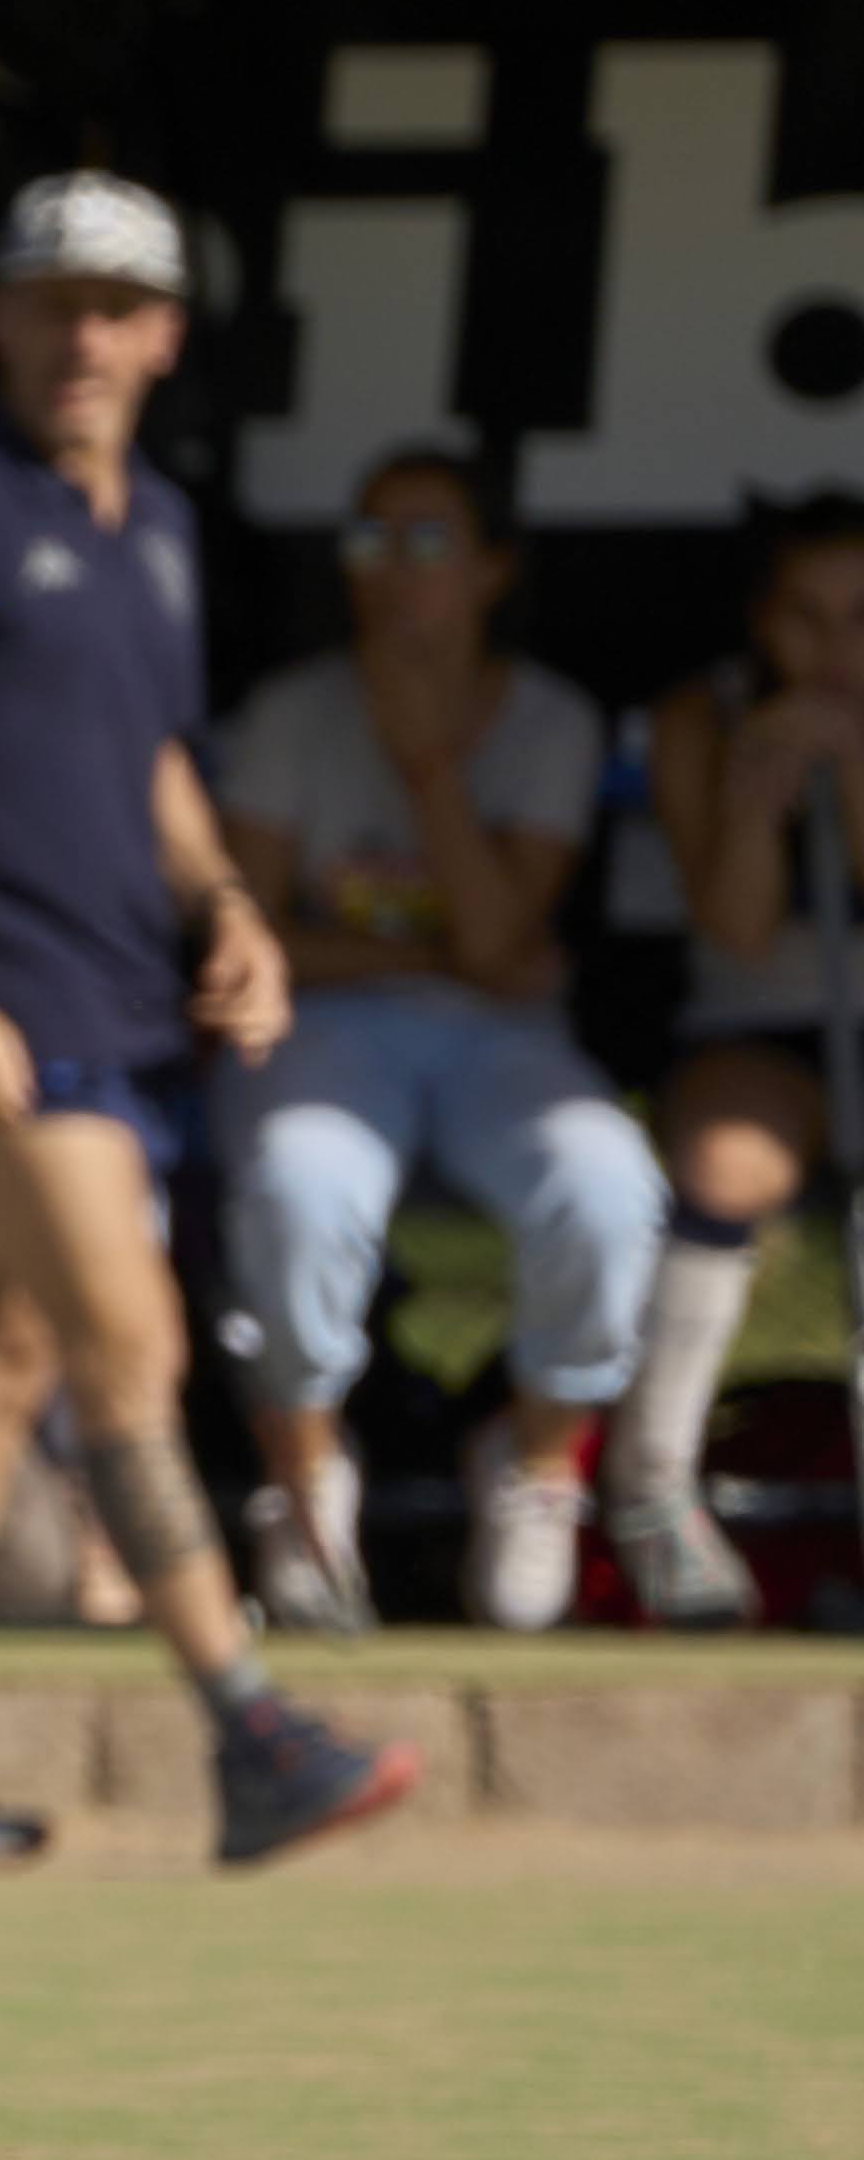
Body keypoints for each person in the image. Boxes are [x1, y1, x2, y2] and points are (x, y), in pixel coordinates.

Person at [0, 171, 412, 1867]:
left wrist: (228, 911)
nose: (79, 336)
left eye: (112, 307)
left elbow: (152, 773)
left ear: (161, 337)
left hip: (121, 1004)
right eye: (48, 300)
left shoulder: (164, 530)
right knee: (126, 1343)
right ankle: (249, 1729)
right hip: (7, 1013)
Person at [213, 450, 663, 1636]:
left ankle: (538, 1465)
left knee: (608, 1186)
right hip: (328, 1031)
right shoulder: (290, 711)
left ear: (491, 570)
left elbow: (502, 931)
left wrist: (425, 766)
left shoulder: (553, 717)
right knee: (301, 1181)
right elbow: (252, 936)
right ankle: (305, 1478)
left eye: (426, 543)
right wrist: (439, 957)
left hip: (499, 1038)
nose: (394, 573)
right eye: (370, 543)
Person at [594, 492, 864, 1628]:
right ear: (763, 619)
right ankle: (653, 1484)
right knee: (726, 1163)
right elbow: (738, 928)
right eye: (806, 619)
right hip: (756, 1024)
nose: (834, 648)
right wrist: (759, 799)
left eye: (860, 618)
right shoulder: (704, 716)